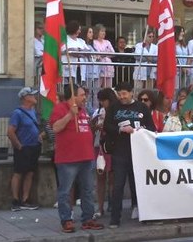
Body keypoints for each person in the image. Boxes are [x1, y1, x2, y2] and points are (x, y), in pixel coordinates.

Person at [50, 84, 103, 233]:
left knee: (87, 190)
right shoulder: (60, 109)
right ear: (72, 96)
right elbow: (55, 128)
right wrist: (69, 115)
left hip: (86, 157)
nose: (84, 98)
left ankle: (88, 218)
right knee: (65, 191)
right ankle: (66, 219)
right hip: (68, 159)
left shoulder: (83, 110)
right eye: (81, 95)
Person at [104, 81, 155, 228]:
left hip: (138, 152)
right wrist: (121, 129)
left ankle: (143, 213)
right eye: (119, 94)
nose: (122, 97)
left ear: (131, 93)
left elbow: (151, 127)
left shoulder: (142, 107)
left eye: (124, 94)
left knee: (139, 184)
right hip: (120, 152)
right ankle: (115, 218)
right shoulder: (113, 108)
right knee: (118, 185)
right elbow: (107, 126)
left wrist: (141, 130)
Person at [8, 87, 43, 211]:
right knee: (18, 173)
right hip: (24, 148)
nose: (34, 97)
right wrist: (18, 145)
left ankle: (25, 199)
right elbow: (11, 132)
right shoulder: (17, 113)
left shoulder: (33, 111)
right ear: (25, 98)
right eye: (32, 95)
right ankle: (15, 200)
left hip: (34, 147)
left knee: (30, 173)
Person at [93, 88, 117, 219]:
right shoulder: (98, 112)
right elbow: (91, 129)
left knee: (113, 179)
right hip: (99, 147)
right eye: (100, 101)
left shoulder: (116, 112)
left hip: (112, 147)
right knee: (100, 178)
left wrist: (107, 126)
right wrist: (95, 125)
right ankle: (100, 207)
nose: (102, 103)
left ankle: (113, 204)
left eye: (104, 100)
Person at [93, 24, 115, 89]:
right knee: (97, 88)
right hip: (99, 67)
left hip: (108, 67)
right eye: (102, 31)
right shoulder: (94, 42)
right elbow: (97, 54)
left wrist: (104, 54)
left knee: (108, 88)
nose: (104, 33)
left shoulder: (107, 42)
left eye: (104, 31)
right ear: (97, 32)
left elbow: (113, 53)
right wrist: (105, 53)